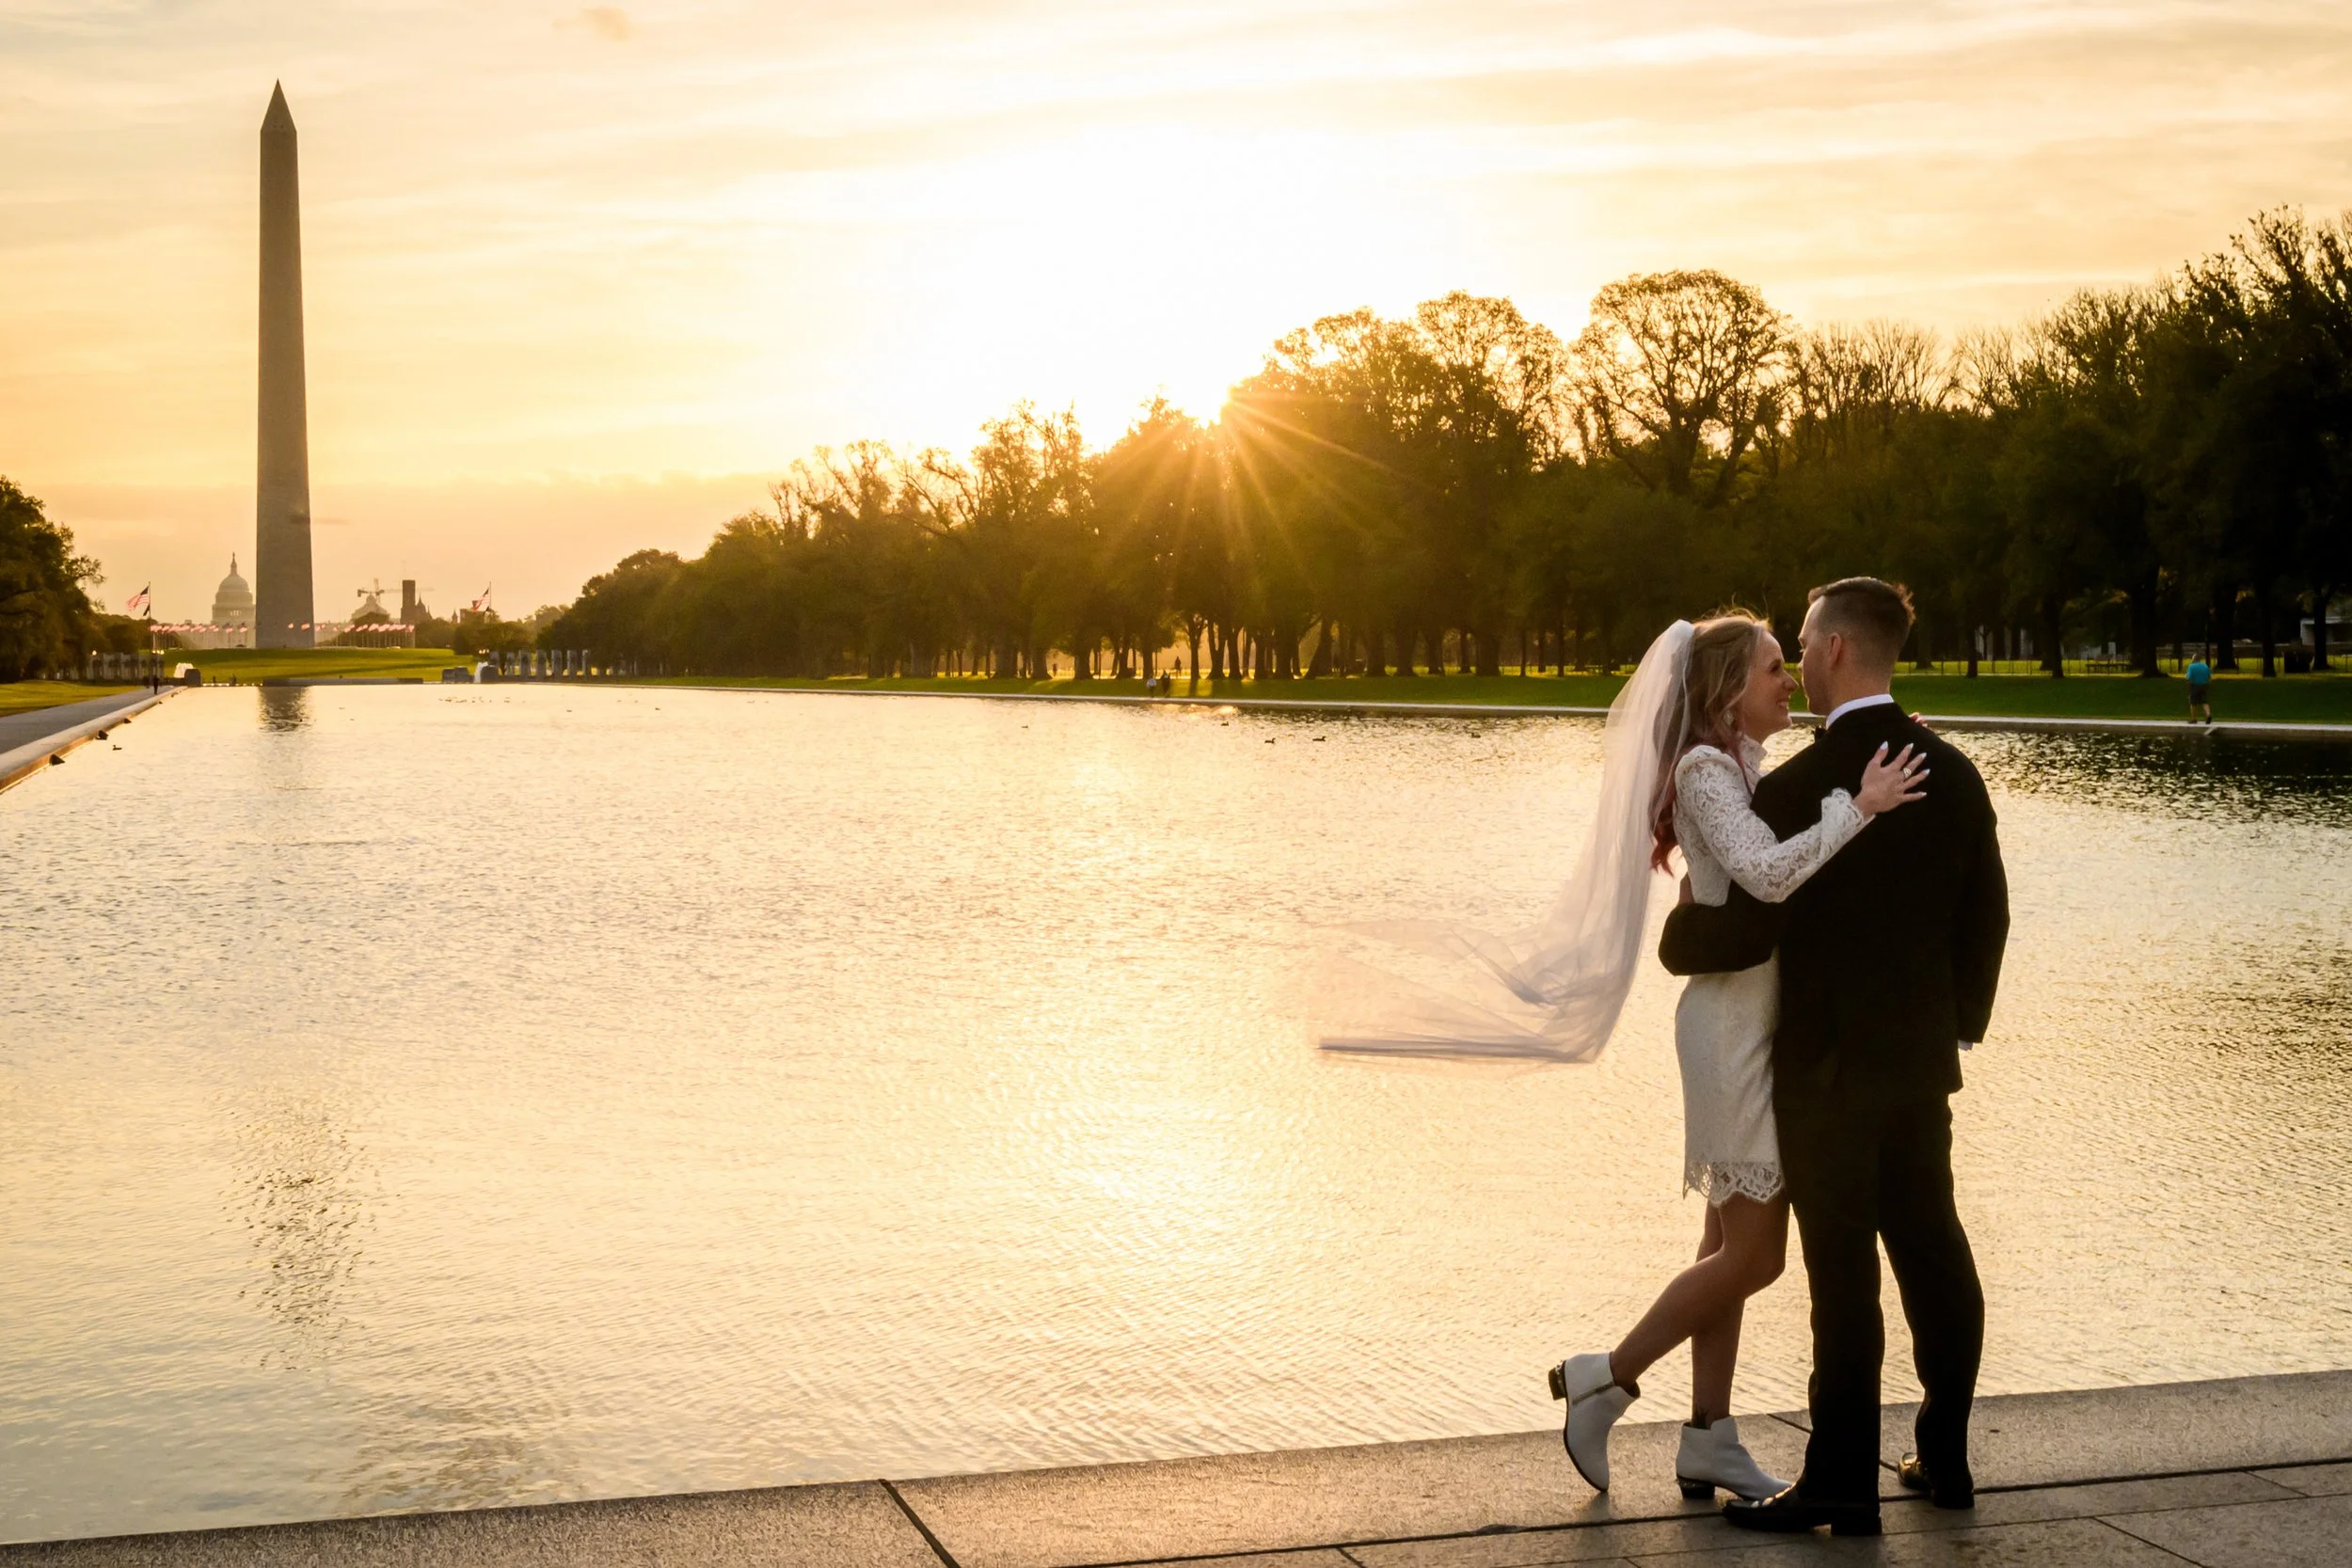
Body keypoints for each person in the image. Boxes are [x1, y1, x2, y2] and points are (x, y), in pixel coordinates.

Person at [1656, 578, 2010, 1538]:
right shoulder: (1953, 770)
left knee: (1841, 1275)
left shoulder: (1791, 789)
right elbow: (1987, 915)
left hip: (1821, 1069)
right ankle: (1945, 1452)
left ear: (1840, 651)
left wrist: (1679, 933)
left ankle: (1842, 1481)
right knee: (1934, 1247)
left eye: (1804, 643)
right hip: (1917, 1061)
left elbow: (1741, 932)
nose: (1798, 660)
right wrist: (1956, 1024)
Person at [1549, 612, 1928, 1503]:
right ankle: (1606, 1376)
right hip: (1730, 1030)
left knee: (1726, 1238)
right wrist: (1856, 808)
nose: (1787, 680)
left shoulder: (1739, 766)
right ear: (1727, 691)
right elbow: (1763, 873)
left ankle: (1709, 1435)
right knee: (1758, 1255)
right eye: (1770, 669)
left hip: (1749, 1018)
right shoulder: (1704, 769)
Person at [2186, 651, 2213, 723]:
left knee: (2193, 703)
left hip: (2195, 686)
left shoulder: (2191, 666)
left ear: (2194, 659)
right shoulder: (2205, 666)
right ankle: (2208, 715)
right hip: (2204, 686)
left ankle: (2193, 719)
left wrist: (2189, 687)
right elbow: (2210, 677)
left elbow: (2189, 678)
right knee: (2205, 702)